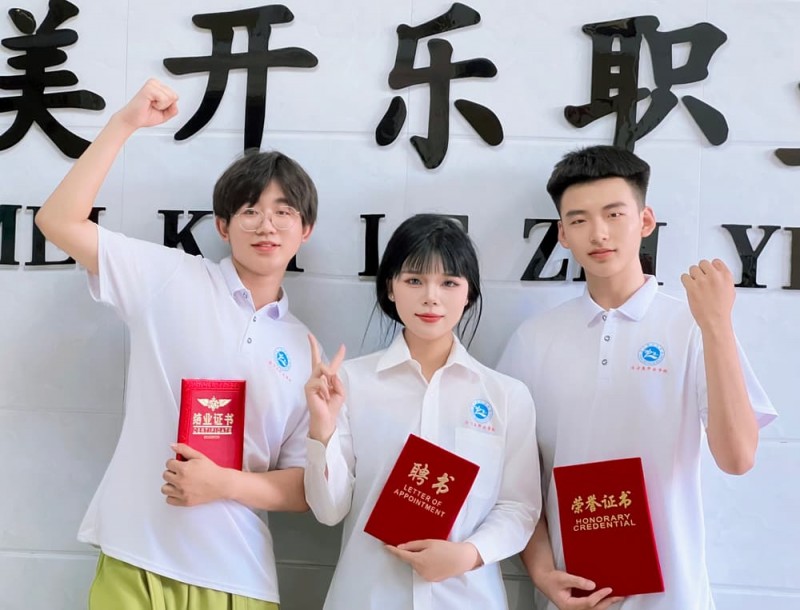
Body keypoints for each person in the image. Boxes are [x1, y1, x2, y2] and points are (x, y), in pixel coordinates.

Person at [35, 78, 319, 609]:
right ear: (222, 225)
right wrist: (124, 124)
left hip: (238, 576)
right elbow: (57, 221)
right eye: (250, 210)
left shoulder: (305, 348)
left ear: (306, 230)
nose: (267, 224)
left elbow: (304, 489)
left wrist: (223, 484)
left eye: (284, 212)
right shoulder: (170, 278)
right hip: (135, 557)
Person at [497, 145, 777, 610]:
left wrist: (717, 326)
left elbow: (737, 458)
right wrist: (542, 573)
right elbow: (515, 480)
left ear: (645, 221)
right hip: (574, 596)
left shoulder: (693, 326)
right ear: (562, 233)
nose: (599, 233)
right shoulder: (533, 340)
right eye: (579, 219)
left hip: (676, 596)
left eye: (614, 214)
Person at [303, 214, 541, 610]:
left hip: (467, 599)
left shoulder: (506, 396)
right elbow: (329, 510)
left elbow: (519, 507)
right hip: (369, 597)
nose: (431, 297)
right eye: (414, 280)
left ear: (469, 293)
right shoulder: (350, 384)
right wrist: (322, 429)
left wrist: (468, 554)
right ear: (390, 288)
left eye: (449, 282)